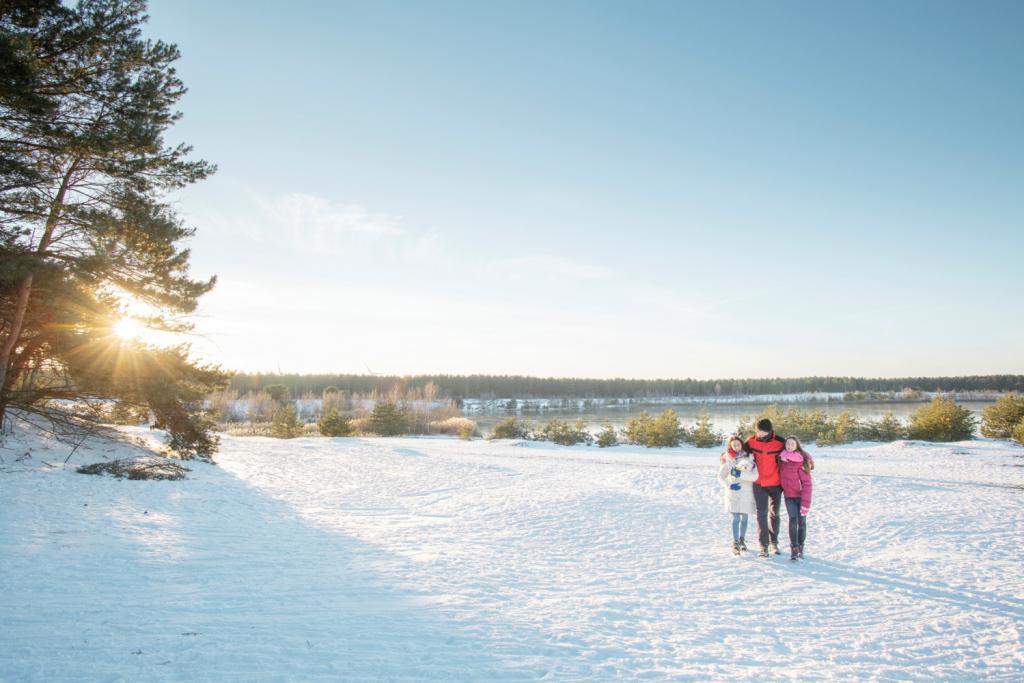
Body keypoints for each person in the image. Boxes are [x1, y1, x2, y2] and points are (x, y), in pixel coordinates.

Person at [746, 418, 786, 558]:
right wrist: (724, 456)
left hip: (776, 484)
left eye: (762, 432)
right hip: (759, 484)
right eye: (757, 431)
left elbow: (795, 451)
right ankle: (763, 546)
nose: (759, 434)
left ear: (769, 431)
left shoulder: (780, 442)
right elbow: (736, 451)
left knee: (775, 514)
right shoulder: (751, 441)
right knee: (761, 514)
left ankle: (774, 542)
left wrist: (807, 460)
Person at [717, 435, 758, 555]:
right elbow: (720, 476)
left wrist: (740, 473)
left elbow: (755, 476)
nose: (736, 447)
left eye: (738, 444)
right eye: (733, 445)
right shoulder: (727, 458)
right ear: (730, 446)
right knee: (735, 518)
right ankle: (735, 542)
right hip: (733, 493)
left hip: (746, 492)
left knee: (744, 518)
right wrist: (728, 485)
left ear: (742, 444)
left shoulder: (749, 457)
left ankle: (742, 540)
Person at [779, 436, 814, 561]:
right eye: (787, 444)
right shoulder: (782, 460)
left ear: (797, 445)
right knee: (793, 521)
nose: (789, 446)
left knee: (802, 523)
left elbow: (807, 484)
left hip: (801, 497)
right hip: (789, 496)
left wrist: (805, 504)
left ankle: (801, 547)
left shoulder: (801, 462)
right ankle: (794, 548)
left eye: (792, 444)